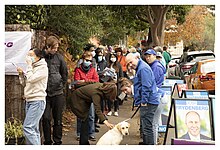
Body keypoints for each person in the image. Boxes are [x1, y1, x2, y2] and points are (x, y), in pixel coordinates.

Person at [125, 53, 159, 145]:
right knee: (145, 126)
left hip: (149, 101)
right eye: (128, 64)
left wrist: (144, 101)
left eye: (131, 62)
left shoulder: (143, 68)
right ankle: (146, 143)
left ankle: (149, 145)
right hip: (148, 101)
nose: (130, 65)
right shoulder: (140, 68)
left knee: (147, 127)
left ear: (137, 58)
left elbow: (146, 86)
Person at [17, 48, 48, 145]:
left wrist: (29, 66)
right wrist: (21, 74)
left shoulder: (43, 68)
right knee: (33, 129)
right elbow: (24, 83)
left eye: (31, 55)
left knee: (28, 127)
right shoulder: (32, 67)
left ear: (38, 57)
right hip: (29, 100)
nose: (28, 58)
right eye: (28, 55)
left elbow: (31, 78)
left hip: (37, 101)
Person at [42, 35, 68, 145]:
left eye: (57, 48)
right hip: (44, 93)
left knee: (58, 119)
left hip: (58, 93)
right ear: (48, 47)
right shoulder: (41, 57)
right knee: (46, 118)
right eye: (54, 48)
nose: (55, 50)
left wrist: (61, 84)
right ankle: (47, 141)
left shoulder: (59, 58)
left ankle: (57, 141)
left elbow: (64, 73)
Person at [74, 51, 99, 141]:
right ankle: (79, 133)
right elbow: (76, 81)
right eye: (86, 60)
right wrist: (89, 81)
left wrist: (84, 81)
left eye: (90, 60)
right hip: (80, 95)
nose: (88, 62)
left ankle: (91, 133)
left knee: (91, 115)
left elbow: (96, 80)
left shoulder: (92, 70)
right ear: (83, 60)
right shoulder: (78, 69)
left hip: (90, 94)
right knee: (80, 115)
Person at [144, 49, 166, 144]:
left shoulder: (156, 67)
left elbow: (153, 83)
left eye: (150, 56)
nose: (148, 58)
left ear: (154, 55)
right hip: (158, 95)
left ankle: (153, 143)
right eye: (146, 56)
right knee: (154, 123)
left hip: (157, 95)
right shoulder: (153, 65)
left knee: (154, 124)